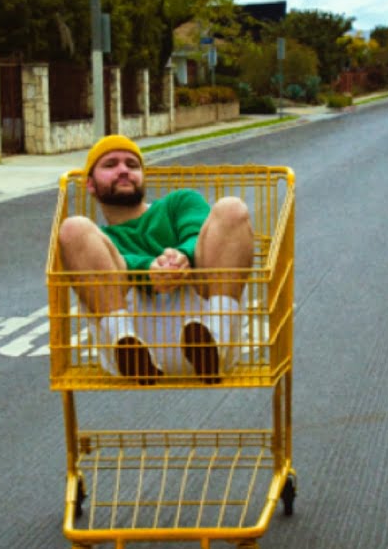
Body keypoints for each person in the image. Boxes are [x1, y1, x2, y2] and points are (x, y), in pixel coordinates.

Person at [58, 134, 254, 382]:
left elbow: (199, 233)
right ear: (90, 185)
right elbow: (113, 258)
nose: (123, 170)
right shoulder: (96, 241)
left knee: (231, 207)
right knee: (72, 227)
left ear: (143, 177)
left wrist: (182, 256)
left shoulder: (178, 202)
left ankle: (217, 340)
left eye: (132, 165)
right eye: (110, 165)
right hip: (132, 338)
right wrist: (146, 270)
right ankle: (126, 344)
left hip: (203, 326)